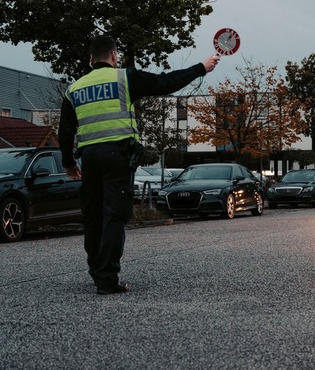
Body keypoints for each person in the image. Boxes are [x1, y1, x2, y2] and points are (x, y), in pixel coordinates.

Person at [59, 35, 218, 294]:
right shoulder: (124, 78)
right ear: (113, 56)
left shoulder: (75, 88)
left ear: (91, 59)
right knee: (115, 215)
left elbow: (65, 131)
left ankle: (96, 270)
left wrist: (68, 163)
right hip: (117, 157)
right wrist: (201, 67)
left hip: (89, 158)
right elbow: (165, 82)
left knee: (93, 216)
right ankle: (107, 279)